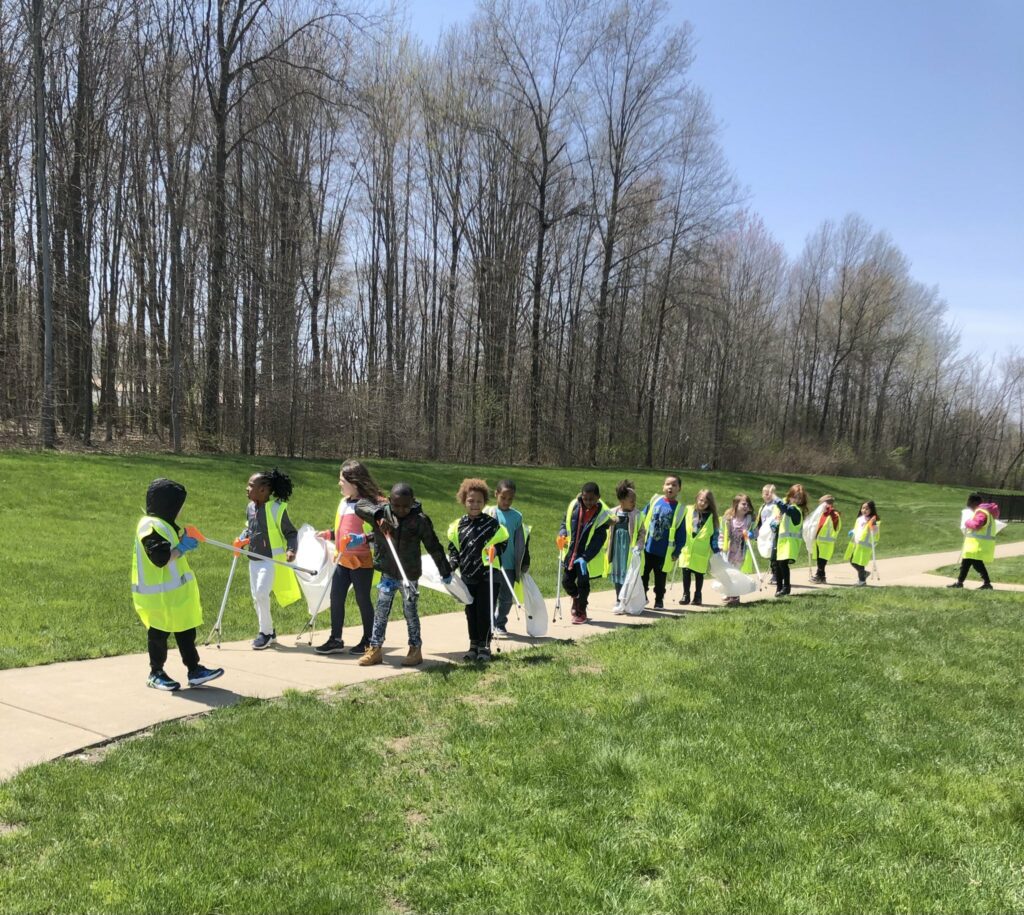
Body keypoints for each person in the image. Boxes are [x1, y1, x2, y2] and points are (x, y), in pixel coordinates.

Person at [132, 478, 223, 691]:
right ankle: (156, 673)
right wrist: (182, 548)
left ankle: (194, 670)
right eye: (179, 505)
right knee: (159, 634)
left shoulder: (164, 525)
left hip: (174, 594)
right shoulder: (150, 526)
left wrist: (181, 541)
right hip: (157, 595)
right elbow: (160, 558)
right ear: (169, 504)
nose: (181, 510)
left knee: (185, 631)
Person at [355, 483, 452, 667]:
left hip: (409, 575)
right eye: (396, 506)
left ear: (413, 502)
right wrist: (378, 516)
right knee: (381, 610)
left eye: (406, 506)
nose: (401, 510)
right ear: (390, 501)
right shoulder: (383, 513)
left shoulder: (420, 520)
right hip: (388, 574)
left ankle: (415, 649)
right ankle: (375, 648)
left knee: (410, 611)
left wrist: (445, 570)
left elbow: (434, 546)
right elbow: (360, 506)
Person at [314, 460, 384, 656]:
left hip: (362, 561)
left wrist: (362, 538)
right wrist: (329, 534)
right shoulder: (343, 503)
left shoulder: (371, 504)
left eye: (342, 480)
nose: (339, 484)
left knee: (362, 598)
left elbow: (382, 532)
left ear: (354, 482)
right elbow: (341, 530)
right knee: (336, 597)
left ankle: (369, 639)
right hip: (342, 560)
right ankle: (335, 638)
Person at [448, 478, 509, 661]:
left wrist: (496, 550)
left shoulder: (491, 524)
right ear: (463, 500)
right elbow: (454, 551)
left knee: (485, 611)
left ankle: (484, 646)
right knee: (471, 612)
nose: (475, 504)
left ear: (484, 503)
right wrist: (451, 566)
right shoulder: (458, 526)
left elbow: (503, 542)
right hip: (467, 577)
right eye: (471, 501)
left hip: (488, 576)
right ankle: (473, 645)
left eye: (479, 501)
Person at [240, 469, 301, 649]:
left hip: (270, 560)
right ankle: (269, 631)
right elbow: (249, 529)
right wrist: (241, 538)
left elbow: (291, 533)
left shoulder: (276, 509)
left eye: (251, 485)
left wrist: (291, 549)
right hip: (253, 559)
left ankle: (264, 633)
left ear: (264, 490)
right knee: (256, 597)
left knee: (261, 593)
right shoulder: (250, 508)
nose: (247, 488)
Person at [558, 482, 612, 624]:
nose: (588, 502)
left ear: (598, 498)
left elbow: (598, 541)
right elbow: (565, 523)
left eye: (591, 499)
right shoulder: (574, 506)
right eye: (585, 498)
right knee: (566, 581)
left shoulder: (601, 516)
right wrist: (562, 533)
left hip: (585, 558)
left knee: (583, 584)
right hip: (571, 554)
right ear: (581, 496)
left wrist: (585, 558)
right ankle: (575, 597)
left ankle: (581, 610)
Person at [485, 479, 531, 637]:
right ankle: (488, 623)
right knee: (490, 595)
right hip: (492, 563)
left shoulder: (517, 516)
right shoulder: (488, 513)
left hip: (510, 564)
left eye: (510, 499)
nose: (506, 501)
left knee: (506, 597)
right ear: (496, 494)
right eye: (503, 498)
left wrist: (524, 561)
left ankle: (500, 623)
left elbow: (521, 541)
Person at [640, 475, 685, 610]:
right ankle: (642, 597)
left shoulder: (680, 509)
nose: (670, 487)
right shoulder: (655, 500)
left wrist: (677, 551)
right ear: (663, 487)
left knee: (660, 578)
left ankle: (659, 600)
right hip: (647, 547)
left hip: (664, 552)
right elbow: (642, 517)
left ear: (679, 489)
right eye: (667, 484)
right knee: (643, 574)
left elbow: (681, 533)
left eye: (674, 485)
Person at [678, 488, 721, 607]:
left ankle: (698, 596)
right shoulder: (688, 510)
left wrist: (716, 549)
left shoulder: (711, 517)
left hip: (701, 551)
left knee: (699, 574)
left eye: (706, 502)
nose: (702, 503)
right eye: (701, 500)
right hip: (687, 548)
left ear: (709, 504)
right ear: (697, 499)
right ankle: (686, 594)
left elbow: (714, 536)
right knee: (685, 572)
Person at [948, 492, 1000, 589]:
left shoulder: (981, 512)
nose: (971, 509)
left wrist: (967, 522)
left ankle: (987, 583)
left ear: (975, 503)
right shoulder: (986, 512)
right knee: (965, 564)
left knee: (977, 564)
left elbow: (977, 525)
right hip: (974, 545)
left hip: (978, 545)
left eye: (971, 506)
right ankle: (959, 583)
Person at [608, 479, 645, 614]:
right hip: (617, 550)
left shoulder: (637, 515)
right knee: (618, 574)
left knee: (630, 576)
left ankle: (628, 600)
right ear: (622, 500)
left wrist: (639, 546)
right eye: (631, 500)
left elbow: (642, 533)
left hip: (630, 551)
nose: (634, 503)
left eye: (635, 500)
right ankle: (619, 599)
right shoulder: (612, 513)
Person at [770, 484, 808, 596]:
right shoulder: (787, 511)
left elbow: (784, 507)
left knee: (783, 564)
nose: (797, 500)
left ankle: (786, 588)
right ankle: (779, 588)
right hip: (782, 542)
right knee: (777, 564)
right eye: (794, 497)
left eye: (799, 498)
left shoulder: (795, 510)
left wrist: (774, 496)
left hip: (790, 543)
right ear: (790, 496)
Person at [720, 493, 756, 606]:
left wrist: (751, 534)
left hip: (741, 550)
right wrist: (721, 545)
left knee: (736, 572)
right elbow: (722, 533)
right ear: (736, 504)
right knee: (728, 572)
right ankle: (729, 592)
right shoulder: (729, 519)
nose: (746, 506)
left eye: (748, 504)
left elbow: (756, 532)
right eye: (743, 504)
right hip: (729, 550)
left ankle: (735, 595)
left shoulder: (750, 520)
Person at [844, 500, 880, 586]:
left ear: (871, 510)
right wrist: (852, 531)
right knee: (853, 561)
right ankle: (864, 573)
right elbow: (858, 528)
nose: (864, 510)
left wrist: (873, 527)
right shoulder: (859, 519)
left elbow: (875, 531)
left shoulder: (872, 520)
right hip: (857, 544)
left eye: (867, 509)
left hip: (865, 545)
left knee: (860, 562)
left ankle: (862, 580)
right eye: (863, 508)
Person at [810, 494, 842, 584]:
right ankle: (821, 576)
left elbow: (836, 525)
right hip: (819, 540)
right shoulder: (822, 514)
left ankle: (819, 576)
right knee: (819, 560)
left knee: (822, 560)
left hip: (826, 541)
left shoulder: (833, 514)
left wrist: (830, 511)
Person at [756, 484, 778, 585]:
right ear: (762, 495)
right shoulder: (763, 506)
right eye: (766, 494)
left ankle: (776, 575)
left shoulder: (775, 505)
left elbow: (777, 518)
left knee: (774, 553)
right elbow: (759, 520)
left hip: (773, 533)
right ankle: (775, 572)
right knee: (769, 553)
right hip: (765, 534)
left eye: (770, 493)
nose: (768, 495)